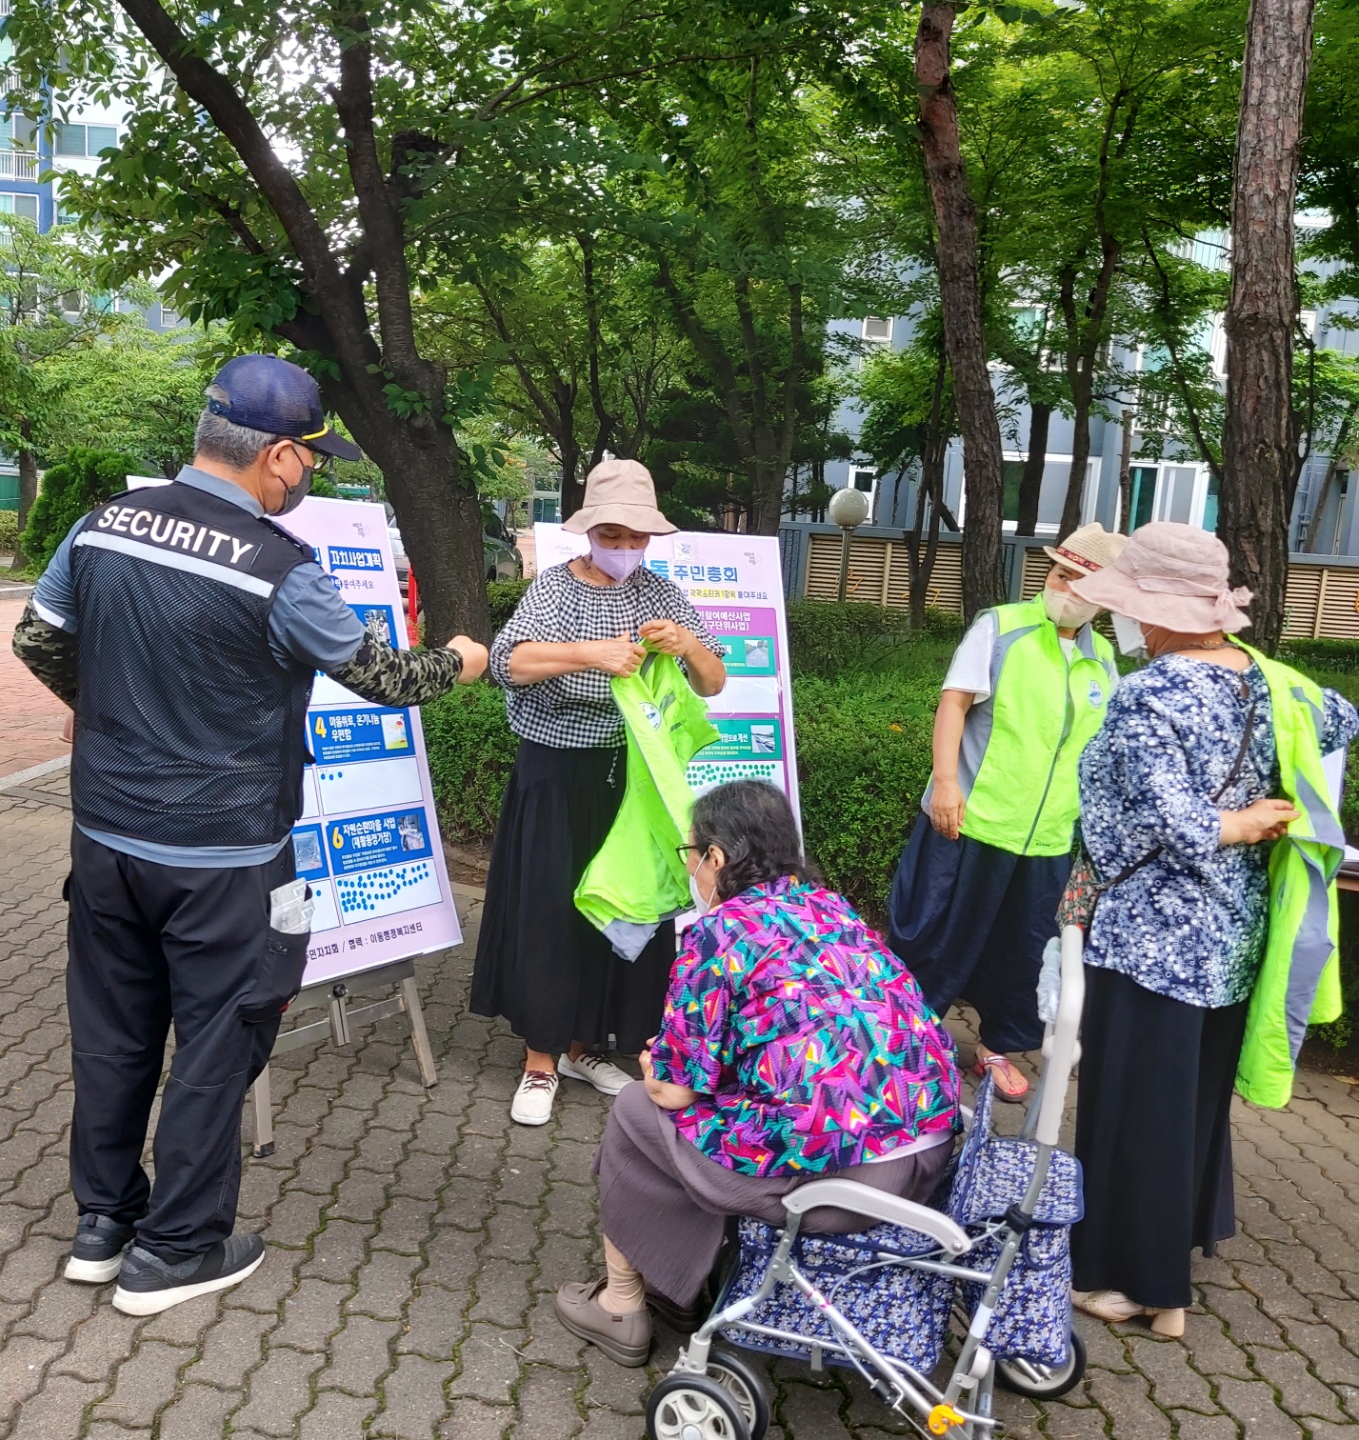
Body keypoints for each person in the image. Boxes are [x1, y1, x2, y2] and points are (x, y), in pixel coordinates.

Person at [12, 355, 489, 1315]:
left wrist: (104, 712)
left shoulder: (101, 526)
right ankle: (177, 1250)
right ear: (275, 456)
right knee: (221, 1044)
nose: (310, 476)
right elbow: (387, 681)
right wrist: (464, 659)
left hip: (106, 842)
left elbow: (37, 640)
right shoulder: (283, 570)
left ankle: (104, 1225)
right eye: (310, 459)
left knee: (113, 1036)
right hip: (227, 861)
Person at [553, 780, 964, 1367]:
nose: (691, 869)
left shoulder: (719, 933)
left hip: (843, 1186)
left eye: (690, 854)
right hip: (924, 1157)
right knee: (712, 1114)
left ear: (716, 859)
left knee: (638, 1112)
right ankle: (684, 1280)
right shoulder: (831, 906)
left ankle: (621, 1304)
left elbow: (672, 1089)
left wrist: (654, 1067)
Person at [1062, 522, 1357, 1338]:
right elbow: (1343, 719)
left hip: (1149, 932)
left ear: (1156, 612)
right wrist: (1270, 809)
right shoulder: (1276, 682)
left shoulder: (1150, 692)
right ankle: (1179, 1245)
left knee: (1130, 1109)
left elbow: (1177, 819)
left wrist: (1239, 821)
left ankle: (1141, 1288)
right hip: (1235, 932)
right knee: (1190, 1102)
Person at [471, 459, 727, 1127]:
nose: (625, 549)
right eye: (613, 535)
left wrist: (688, 642)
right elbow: (508, 663)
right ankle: (539, 1059)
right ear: (589, 532)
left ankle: (589, 1045)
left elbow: (713, 682)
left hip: (634, 778)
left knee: (623, 909)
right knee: (552, 910)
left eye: (638, 538)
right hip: (556, 773)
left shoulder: (661, 594)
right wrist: (593, 653)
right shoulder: (555, 590)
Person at [886, 523, 1128, 1101]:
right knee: (933, 933)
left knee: (1020, 951)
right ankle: (903, 1037)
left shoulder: (1104, 660)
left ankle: (994, 1049)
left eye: (1082, 581)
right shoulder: (1001, 627)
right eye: (1061, 573)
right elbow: (954, 704)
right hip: (968, 820)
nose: (1065, 587)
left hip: (1046, 838)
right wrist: (946, 783)